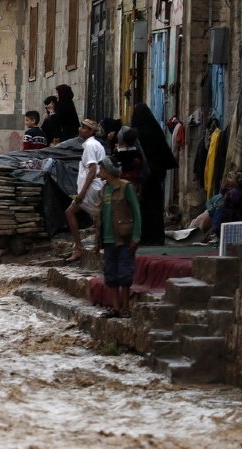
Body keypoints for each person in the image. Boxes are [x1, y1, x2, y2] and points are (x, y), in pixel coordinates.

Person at [96, 157, 141, 318]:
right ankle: (115, 307)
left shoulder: (125, 187)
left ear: (108, 171)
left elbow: (136, 212)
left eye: (101, 170)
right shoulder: (103, 190)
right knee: (111, 274)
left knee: (125, 274)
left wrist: (136, 236)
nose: (99, 173)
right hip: (108, 239)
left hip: (124, 238)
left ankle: (125, 307)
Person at [130, 103, 178, 246]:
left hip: (142, 176)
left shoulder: (135, 133)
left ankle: (144, 237)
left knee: (142, 206)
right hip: (156, 175)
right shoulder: (155, 130)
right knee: (156, 207)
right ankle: (156, 237)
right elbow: (163, 152)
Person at [65, 119, 106, 263]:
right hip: (97, 186)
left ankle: (78, 248)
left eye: (83, 128)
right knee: (98, 216)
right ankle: (96, 244)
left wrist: (81, 193)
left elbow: (92, 169)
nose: (80, 129)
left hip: (91, 188)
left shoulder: (89, 145)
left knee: (70, 212)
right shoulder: (97, 145)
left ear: (90, 131)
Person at [114, 126, 149, 191]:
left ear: (122, 139)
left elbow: (115, 163)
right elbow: (140, 162)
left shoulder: (118, 151)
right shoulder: (137, 150)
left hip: (122, 177)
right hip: (134, 177)